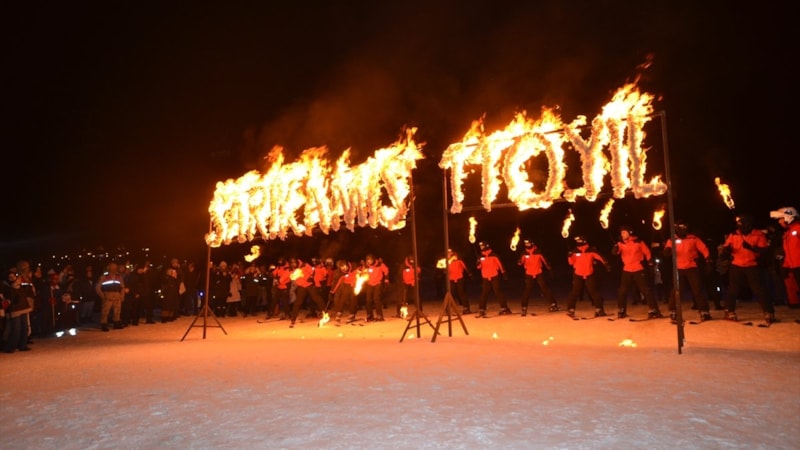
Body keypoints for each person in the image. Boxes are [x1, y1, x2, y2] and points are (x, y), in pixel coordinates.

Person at [720, 213, 774, 323]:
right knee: (733, 289)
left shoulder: (758, 234)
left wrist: (752, 248)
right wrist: (726, 251)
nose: (740, 227)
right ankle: (729, 311)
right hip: (737, 265)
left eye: (742, 224)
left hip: (752, 265)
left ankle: (769, 312)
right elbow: (726, 247)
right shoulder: (734, 234)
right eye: (739, 225)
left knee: (758, 289)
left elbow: (764, 250)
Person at [663, 221, 713, 323]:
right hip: (679, 268)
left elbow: (703, 248)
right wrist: (667, 251)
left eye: (685, 228)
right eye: (681, 228)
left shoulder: (693, 238)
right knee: (677, 290)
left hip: (691, 267)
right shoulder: (673, 239)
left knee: (697, 290)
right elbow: (667, 251)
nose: (683, 230)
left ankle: (704, 311)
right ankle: (673, 311)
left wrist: (708, 259)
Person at [612, 225, 663, 319]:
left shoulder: (638, 242)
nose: (622, 234)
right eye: (621, 233)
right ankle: (621, 310)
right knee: (622, 291)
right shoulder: (620, 243)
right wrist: (615, 249)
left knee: (646, 290)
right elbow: (616, 253)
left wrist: (650, 263)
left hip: (638, 269)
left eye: (624, 232)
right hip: (626, 269)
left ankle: (654, 310)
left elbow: (647, 252)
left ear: (629, 232)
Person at [565, 235, 610, 318]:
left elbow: (600, 257)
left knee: (593, 292)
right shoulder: (574, 251)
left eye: (580, 241)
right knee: (575, 292)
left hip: (589, 273)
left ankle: (599, 309)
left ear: (584, 241)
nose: (578, 243)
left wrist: (606, 264)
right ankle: (571, 310)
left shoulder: (591, 250)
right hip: (578, 274)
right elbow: (571, 263)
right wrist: (569, 256)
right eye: (577, 241)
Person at [517, 239, 558, 316]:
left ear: (532, 243)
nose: (527, 245)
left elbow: (545, 261)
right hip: (529, 273)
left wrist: (550, 269)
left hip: (539, 272)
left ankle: (553, 304)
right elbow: (521, 263)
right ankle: (524, 306)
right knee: (527, 290)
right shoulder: (523, 253)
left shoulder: (538, 252)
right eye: (526, 244)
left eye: (528, 243)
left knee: (544, 288)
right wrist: (519, 261)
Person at [770, 206, 800, 308]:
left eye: (781, 218)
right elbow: (788, 252)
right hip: (794, 266)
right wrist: (786, 266)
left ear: (789, 217)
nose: (779, 222)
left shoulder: (798, 229)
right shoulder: (788, 233)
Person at [475, 241, 511, 318]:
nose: (481, 248)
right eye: (480, 247)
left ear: (486, 246)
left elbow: (500, 264)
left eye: (482, 246)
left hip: (495, 276)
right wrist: (478, 263)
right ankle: (482, 309)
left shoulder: (494, 255)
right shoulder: (480, 256)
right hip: (485, 276)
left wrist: (504, 273)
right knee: (484, 293)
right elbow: (478, 267)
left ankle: (504, 307)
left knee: (497, 291)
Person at [288, 258, 326, 326]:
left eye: (294, 263)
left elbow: (312, 271)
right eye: (292, 263)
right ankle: (293, 318)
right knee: (298, 302)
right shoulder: (291, 269)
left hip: (309, 285)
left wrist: (310, 277)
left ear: (297, 262)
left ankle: (325, 313)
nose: (293, 264)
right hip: (301, 286)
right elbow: (292, 277)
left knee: (316, 298)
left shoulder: (305, 265)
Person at [95, 261, 126, 332]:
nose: (114, 269)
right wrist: (102, 295)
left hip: (117, 296)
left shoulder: (119, 277)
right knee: (105, 311)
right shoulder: (104, 277)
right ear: (109, 268)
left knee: (117, 311)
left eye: (115, 267)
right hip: (107, 297)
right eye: (112, 267)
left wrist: (122, 295)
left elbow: (122, 287)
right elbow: (97, 287)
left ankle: (116, 323)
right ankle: (104, 324)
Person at [363, 254, 389, 322]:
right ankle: (369, 315)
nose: (369, 261)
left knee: (376, 299)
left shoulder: (379, 264)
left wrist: (386, 279)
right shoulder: (366, 266)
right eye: (368, 260)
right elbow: (363, 274)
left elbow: (386, 270)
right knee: (368, 300)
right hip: (369, 284)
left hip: (378, 283)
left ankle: (379, 315)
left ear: (373, 259)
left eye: (370, 260)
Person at [446, 249, 472, 314]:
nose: (449, 254)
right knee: (450, 294)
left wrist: (469, 274)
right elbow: (444, 269)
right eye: (448, 253)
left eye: (450, 253)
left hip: (459, 278)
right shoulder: (447, 262)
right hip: (451, 279)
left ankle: (466, 308)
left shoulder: (459, 261)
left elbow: (466, 268)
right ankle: (449, 309)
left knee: (462, 293)